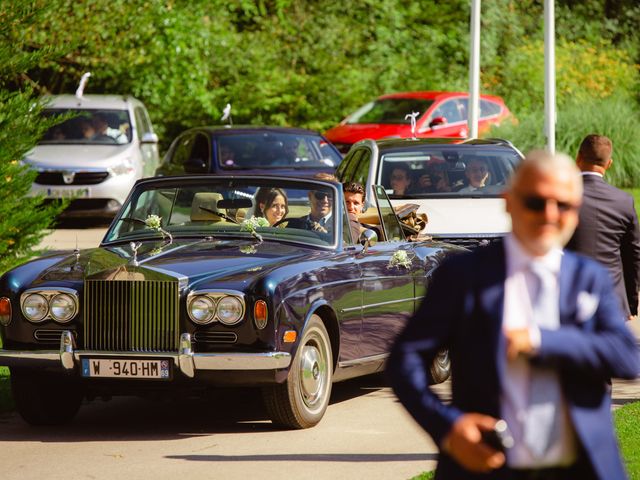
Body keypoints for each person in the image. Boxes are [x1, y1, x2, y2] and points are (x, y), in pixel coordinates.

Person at [387, 149, 640, 480]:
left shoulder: (588, 277)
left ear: (576, 212)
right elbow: (404, 361)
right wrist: (448, 427)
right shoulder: (463, 275)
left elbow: (627, 358)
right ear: (509, 201)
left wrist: (541, 341)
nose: (549, 214)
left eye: (563, 205)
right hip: (485, 463)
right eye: (536, 202)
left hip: (581, 468)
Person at [566, 134, 640, 321]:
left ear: (578, 158)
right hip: (613, 300)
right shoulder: (624, 201)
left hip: (570, 298)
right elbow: (633, 255)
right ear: (609, 164)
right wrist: (630, 303)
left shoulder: (563, 198)